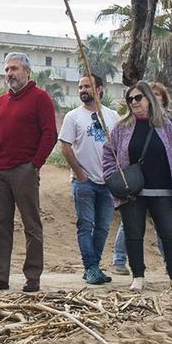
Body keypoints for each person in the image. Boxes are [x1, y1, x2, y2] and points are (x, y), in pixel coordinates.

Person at [0, 52, 57, 292]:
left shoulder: (40, 98)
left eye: (14, 69)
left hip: (24, 169)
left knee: (31, 225)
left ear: (26, 71)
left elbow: (49, 134)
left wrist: (35, 165)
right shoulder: (0, 101)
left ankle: (33, 276)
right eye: (7, 70)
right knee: (0, 225)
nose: (9, 74)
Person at [102, 84, 172, 291]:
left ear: (149, 99)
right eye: (130, 99)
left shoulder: (165, 125)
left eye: (138, 97)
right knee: (133, 233)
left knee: (169, 233)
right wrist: (110, 176)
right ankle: (138, 276)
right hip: (132, 191)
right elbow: (109, 153)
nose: (133, 102)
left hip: (163, 190)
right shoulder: (121, 127)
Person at [59, 72, 118, 284]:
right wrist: (80, 173)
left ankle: (94, 266)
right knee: (85, 225)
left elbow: (120, 146)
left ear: (99, 89)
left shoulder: (112, 116)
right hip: (84, 182)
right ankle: (91, 267)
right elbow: (65, 147)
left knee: (103, 227)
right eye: (81, 87)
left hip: (108, 182)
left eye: (87, 86)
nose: (83, 90)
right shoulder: (73, 116)